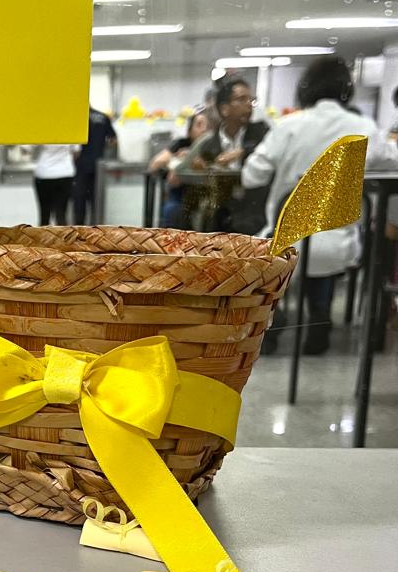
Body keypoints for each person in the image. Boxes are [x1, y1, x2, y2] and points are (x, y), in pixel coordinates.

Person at [242, 55, 398, 354]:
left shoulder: (288, 126)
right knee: (322, 250)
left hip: (286, 240)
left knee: (289, 252)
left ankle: (272, 319)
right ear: (347, 89)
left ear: (305, 88)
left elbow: (252, 176)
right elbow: (391, 160)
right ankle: (319, 318)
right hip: (338, 243)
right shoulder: (363, 127)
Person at [177, 78, 270, 233]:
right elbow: (197, 174)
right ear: (224, 109)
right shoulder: (209, 144)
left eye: (251, 100)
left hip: (254, 212)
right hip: (220, 214)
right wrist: (200, 167)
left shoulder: (261, 132)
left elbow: (267, 150)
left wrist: (242, 152)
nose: (248, 104)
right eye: (241, 99)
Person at [149, 110, 211, 228]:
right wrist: (177, 158)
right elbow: (155, 164)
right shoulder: (181, 144)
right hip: (181, 196)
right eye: (199, 125)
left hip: (206, 195)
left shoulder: (215, 146)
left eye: (207, 125)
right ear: (189, 131)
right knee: (172, 210)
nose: (204, 129)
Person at [73, 107, 117, 225]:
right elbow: (113, 140)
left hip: (80, 165)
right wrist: (102, 148)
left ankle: (79, 230)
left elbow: (74, 149)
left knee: (79, 200)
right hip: (98, 165)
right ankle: (95, 229)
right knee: (96, 200)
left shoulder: (76, 117)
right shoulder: (103, 117)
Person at [33, 144, 75, 226]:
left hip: (44, 172)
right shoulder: (72, 134)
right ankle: (62, 233)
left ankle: (43, 233)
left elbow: (27, 148)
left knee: (44, 214)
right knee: (61, 214)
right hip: (65, 172)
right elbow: (76, 150)